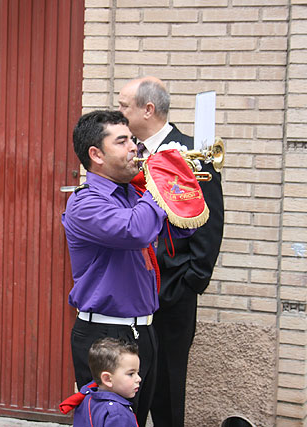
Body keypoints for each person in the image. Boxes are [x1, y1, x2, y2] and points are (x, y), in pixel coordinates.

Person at [62, 110, 193, 427]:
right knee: (111, 419)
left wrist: (182, 185)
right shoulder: (84, 203)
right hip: (105, 334)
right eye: (121, 141)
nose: (134, 147)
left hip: (144, 330)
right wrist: (159, 183)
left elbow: (183, 228)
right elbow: (136, 231)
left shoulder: (134, 194)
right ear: (96, 155)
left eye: (132, 139)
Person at [118, 77, 224, 427]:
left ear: (147, 110)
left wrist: (189, 283)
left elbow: (209, 225)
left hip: (172, 292)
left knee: (166, 388)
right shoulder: (127, 151)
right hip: (130, 292)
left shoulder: (193, 152)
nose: (118, 112)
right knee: (127, 386)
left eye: (123, 106)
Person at [73, 338, 141, 427]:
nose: (139, 379)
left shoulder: (86, 399)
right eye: (131, 374)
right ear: (107, 379)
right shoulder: (118, 414)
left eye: (138, 373)